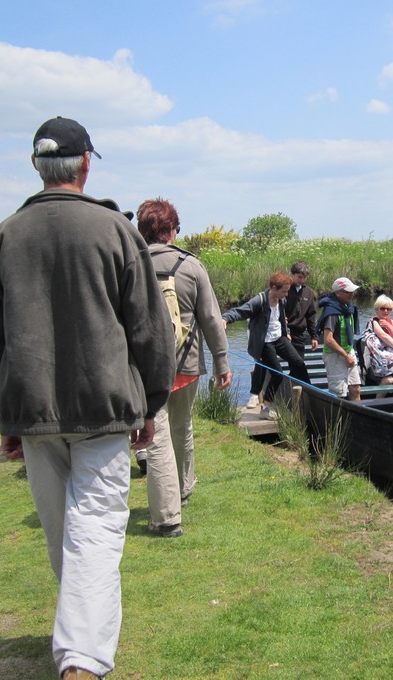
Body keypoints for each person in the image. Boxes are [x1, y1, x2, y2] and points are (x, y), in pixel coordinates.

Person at [0, 116, 174, 680]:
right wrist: (150, 403)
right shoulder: (114, 231)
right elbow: (151, 330)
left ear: (36, 165)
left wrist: (1, 413)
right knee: (95, 529)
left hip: (33, 409)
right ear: (86, 164)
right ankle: (81, 659)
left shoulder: (4, 236)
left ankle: (80, 643)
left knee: (67, 530)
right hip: (103, 408)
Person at [136, 198, 232, 537]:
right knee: (182, 427)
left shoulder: (132, 264)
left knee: (156, 434)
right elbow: (210, 318)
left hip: (146, 369)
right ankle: (183, 489)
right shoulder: (192, 266)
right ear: (171, 229)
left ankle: (165, 510)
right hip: (187, 364)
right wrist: (222, 362)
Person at [222, 272, 310, 420]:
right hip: (265, 343)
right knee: (277, 374)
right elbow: (241, 311)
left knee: (299, 363)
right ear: (274, 288)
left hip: (279, 338)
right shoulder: (260, 300)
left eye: (287, 291)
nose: (286, 294)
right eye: (284, 291)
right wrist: (225, 318)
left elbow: (280, 318)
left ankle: (309, 393)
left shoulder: (281, 300)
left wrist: (285, 331)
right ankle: (266, 409)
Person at [248, 259, 318, 407]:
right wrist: (283, 323)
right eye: (299, 276)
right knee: (266, 365)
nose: (302, 279)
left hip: (298, 334)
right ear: (292, 275)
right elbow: (272, 308)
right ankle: (256, 393)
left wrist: (314, 336)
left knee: (298, 365)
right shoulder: (284, 290)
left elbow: (311, 316)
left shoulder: (308, 293)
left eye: (304, 277)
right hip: (281, 333)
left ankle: (303, 395)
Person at [316, 277, 363, 401]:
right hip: (335, 355)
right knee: (339, 393)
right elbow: (328, 339)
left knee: (356, 388)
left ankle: (356, 417)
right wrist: (345, 356)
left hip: (348, 351)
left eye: (352, 292)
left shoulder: (347, 308)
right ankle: (337, 419)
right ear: (337, 293)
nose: (351, 294)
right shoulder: (332, 312)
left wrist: (349, 354)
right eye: (348, 292)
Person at [364, 294, 393, 387]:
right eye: (383, 308)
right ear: (377, 309)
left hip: (392, 361)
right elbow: (383, 336)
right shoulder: (373, 321)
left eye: (389, 309)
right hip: (377, 362)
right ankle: (378, 401)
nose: (386, 311)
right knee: (388, 380)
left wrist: (388, 326)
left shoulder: (392, 322)